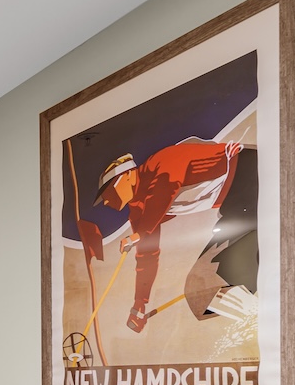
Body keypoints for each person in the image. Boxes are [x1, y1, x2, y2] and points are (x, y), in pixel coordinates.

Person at [95, 139, 241, 333]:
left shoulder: (160, 162)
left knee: (207, 281)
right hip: (234, 205)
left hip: (245, 174)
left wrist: (138, 235)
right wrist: (139, 305)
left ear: (127, 176)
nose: (106, 202)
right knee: (200, 299)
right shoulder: (138, 209)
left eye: (108, 192)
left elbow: (164, 190)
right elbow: (147, 255)